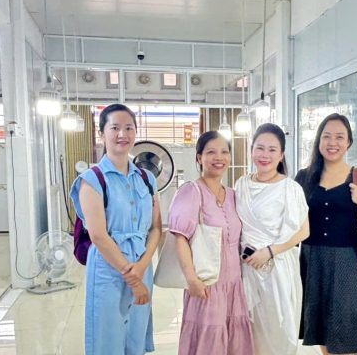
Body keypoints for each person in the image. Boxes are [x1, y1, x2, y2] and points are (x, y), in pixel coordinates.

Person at [70, 104, 162, 355]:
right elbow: (98, 236)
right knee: (107, 339)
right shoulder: (92, 179)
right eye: (115, 128)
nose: (123, 134)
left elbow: (156, 228)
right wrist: (132, 277)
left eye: (129, 128)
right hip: (108, 269)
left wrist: (142, 267)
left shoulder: (147, 179)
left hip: (141, 263)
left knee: (135, 335)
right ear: (102, 134)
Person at [295, 113, 357, 355]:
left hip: (348, 263)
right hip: (312, 261)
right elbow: (291, 220)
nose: (332, 142)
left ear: (348, 142)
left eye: (339, 137)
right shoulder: (304, 177)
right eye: (327, 136)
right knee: (322, 333)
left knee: (345, 335)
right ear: (318, 141)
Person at [167, 131, 254, 355]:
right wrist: (192, 279)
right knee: (209, 342)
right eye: (211, 152)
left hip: (234, 284)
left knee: (233, 342)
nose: (219, 157)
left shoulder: (233, 195)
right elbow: (180, 238)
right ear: (199, 158)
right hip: (206, 283)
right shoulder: (191, 191)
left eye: (224, 152)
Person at [234, 123, 310, 355]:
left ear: (281, 155)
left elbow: (303, 231)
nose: (264, 155)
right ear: (251, 150)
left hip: (278, 269)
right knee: (249, 333)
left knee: (277, 331)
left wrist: (269, 252)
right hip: (246, 268)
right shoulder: (241, 184)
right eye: (260, 148)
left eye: (272, 149)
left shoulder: (290, 188)